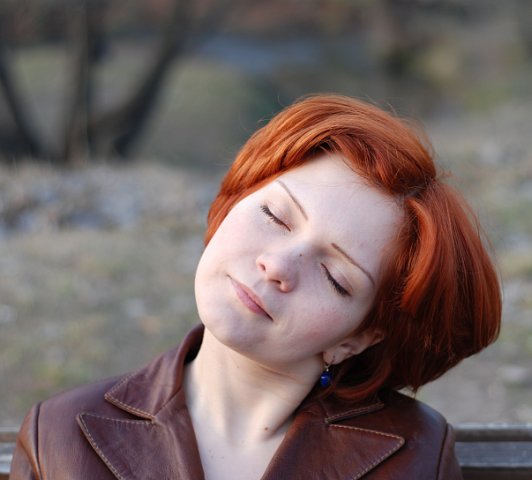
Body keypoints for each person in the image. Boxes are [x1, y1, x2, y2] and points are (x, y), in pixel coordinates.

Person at [11, 94, 501, 480]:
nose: (277, 265)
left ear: (357, 337)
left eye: (335, 276)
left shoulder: (413, 455)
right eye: (274, 215)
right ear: (231, 204)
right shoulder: (60, 434)